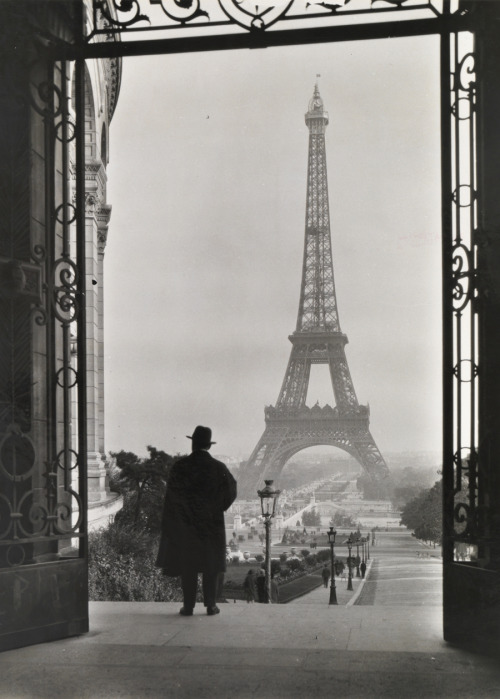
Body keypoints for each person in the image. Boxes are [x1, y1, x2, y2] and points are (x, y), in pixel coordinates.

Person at [156, 426, 237, 616]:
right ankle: (210, 605)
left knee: (188, 567)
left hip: (187, 526)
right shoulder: (219, 467)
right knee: (211, 566)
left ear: (193, 443)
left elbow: (171, 497)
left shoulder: (180, 466)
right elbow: (231, 490)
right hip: (211, 525)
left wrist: (177, 520)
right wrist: (218, 507)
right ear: (209, 445)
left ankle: (188, 606)